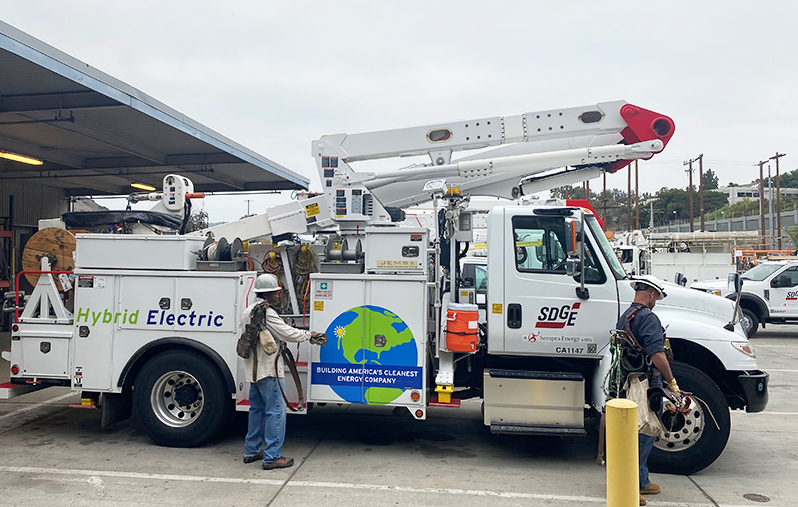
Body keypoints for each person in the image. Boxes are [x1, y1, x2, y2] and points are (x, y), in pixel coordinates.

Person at [242, 273, 326, 470]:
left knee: (256, 411)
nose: (278, 296)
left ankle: (251, 450)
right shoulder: (267, 312)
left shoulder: (248, 310)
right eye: (276, 293)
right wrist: (309, 335)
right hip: (268, 369)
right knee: (276, 412)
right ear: (271, 293)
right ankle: (272, 457)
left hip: (253, 370)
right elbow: (287, 333)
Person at [616, 276, 679, 507]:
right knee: (645, 431)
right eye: (656, 298)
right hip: (646, 382)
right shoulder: (648, 317)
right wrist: (671, 381)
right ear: (651, 294)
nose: (655, 302)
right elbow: (657, 354)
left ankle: (642, 480)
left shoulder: (626, 316)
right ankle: (631, 486)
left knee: (640, 431)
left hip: (629, 380)